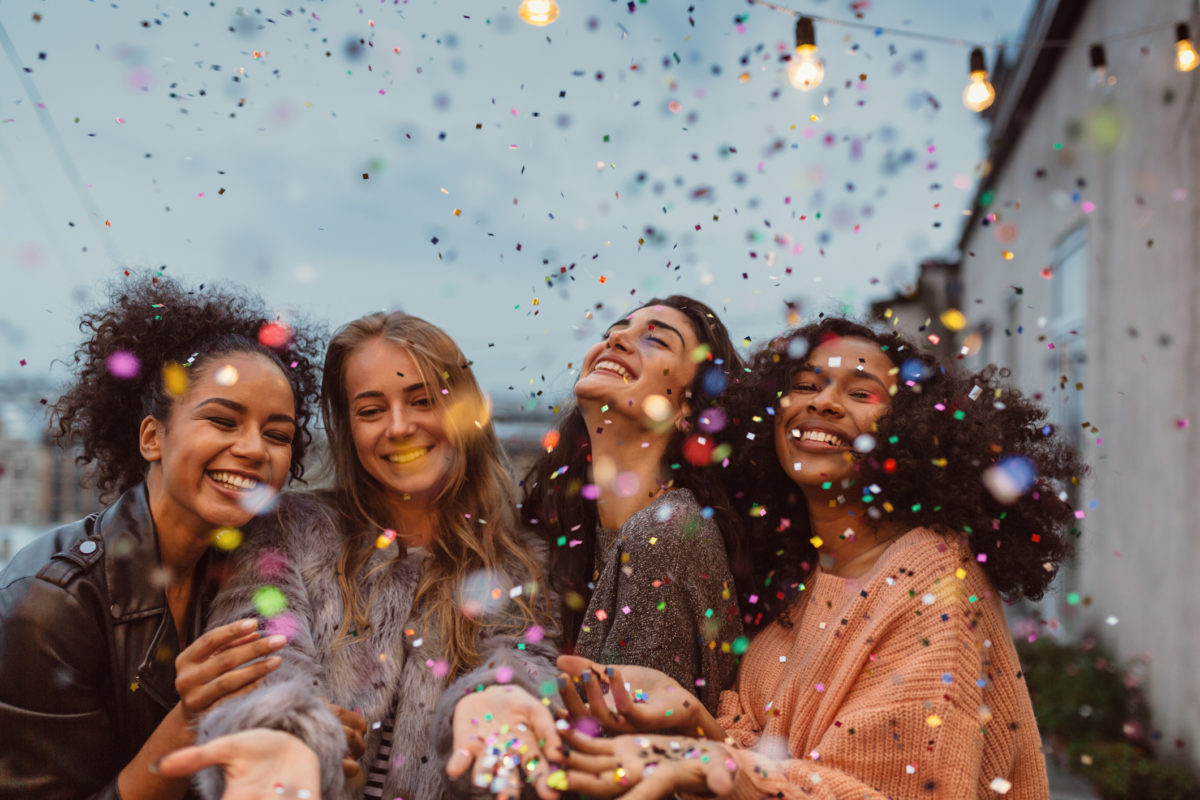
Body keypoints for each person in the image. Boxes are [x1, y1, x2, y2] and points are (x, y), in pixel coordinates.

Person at [555, 316, 1085, 800]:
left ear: (913, 428)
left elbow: (881, 790)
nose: (823, 403)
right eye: (805, 386)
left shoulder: (934, 582)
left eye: (861, 392)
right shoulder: (805, 578)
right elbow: (771, 763)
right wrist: (690, 717)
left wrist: (703, 756)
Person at [191, 311, 564, 800]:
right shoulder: (288, 532)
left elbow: (523, 660)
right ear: (348, 429)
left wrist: (500, 702)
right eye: (370, 410)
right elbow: (257, 660)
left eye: (423, 401)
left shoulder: (520, 560)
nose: (399, 426)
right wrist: (291, 736)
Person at [0, 273, 324, 800]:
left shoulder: (263, 571)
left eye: (278, 434)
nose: (253, 449)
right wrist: (194, 716)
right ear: (153, 437)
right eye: (223, 421)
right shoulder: (46, 603)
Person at [520, 296, 745, 714]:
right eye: (613, 332)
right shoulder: (571, 531)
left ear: (687, 408)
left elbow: (624, 744)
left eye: (656, 340)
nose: (618, 338)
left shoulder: (666, 531)